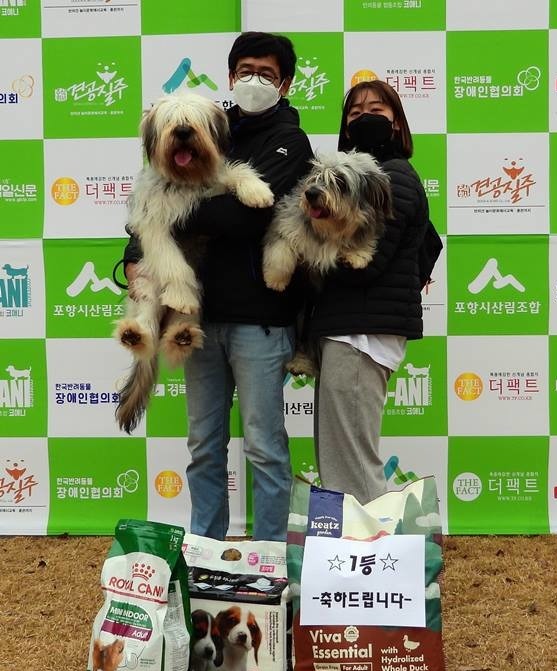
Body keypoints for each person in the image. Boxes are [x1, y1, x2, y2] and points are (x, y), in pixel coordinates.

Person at [115, 32, 313, 541]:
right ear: (229, 76)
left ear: (286, 82)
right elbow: (146, 211)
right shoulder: (204, 120)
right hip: (197, 322)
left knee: (265, 446)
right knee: (204, 443)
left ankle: (269, 560)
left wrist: (167, 214)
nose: (254, 80)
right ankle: (204, 548)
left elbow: (247, 217)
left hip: (259, 321)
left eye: (267, 73)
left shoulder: (289, 141)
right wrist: (135, 257)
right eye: (245, 70)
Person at [308, 80, 435, 505]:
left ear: (397, 122)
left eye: (377, 109)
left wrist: (311, 252)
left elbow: (368, 262)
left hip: (361, 333)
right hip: (350, 329)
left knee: (352, 463)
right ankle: (356, 557)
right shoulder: (354, 181)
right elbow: (430, 243)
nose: (365, 117)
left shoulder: (393, 176)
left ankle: (378, 557)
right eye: (354, 112)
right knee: (341, 456)